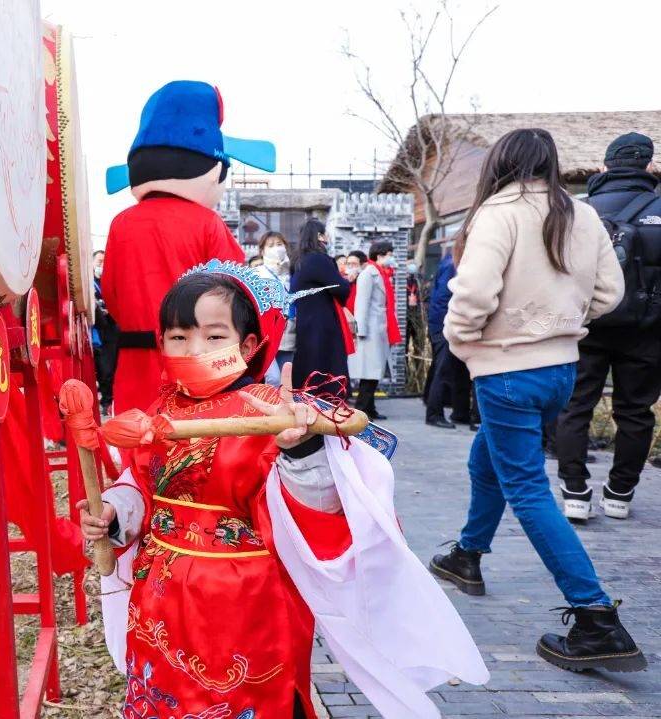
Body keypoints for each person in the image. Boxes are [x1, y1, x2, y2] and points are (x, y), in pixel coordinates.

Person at [81, 261, 487, 718]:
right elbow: (141, 481)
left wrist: (301, 449)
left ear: (249, 344)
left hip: (244, 602)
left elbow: (313, 512)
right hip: (160, 593)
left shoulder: (272, 413)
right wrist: (117, 510)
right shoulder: (163, 408)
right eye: (178, 337)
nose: (193, 348)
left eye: (214, 337)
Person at [429, 128, 646, 673]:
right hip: (559, 371)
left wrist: (460, 341)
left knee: (526, 488)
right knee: (491, 456)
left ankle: (596, 617)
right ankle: (467, 555)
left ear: (500, 163)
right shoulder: (582, 213)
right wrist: (562, 322)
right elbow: (610, 293)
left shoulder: (497, 214)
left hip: (507, 370)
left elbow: (473, 293)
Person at [102, 80, 274, 414]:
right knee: (196, 454)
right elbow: (240, 293)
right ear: (213, 169)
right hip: (197, 366)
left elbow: (111, 293)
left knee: (140, 453)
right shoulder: (206, 223)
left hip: (133, 365)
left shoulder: (120, 224)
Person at [555, 132, 661, 521]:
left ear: (604, 167)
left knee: (575, 406)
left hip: (586, 326)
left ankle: (575, 493)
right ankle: (619, 493)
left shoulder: (577, 211)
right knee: (636, 411)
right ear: (649, 166)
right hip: (648, 331)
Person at [288, 220, 352, 393]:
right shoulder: (318, 259)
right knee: (326, 370)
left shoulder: (298, 260)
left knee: (309, 367)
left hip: (306, 321)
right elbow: (340, 287)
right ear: (319, 236)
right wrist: (348, 281)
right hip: (323, 323)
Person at [349, 241, 401, 420]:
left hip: (379, 328)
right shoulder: (369, 274)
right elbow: (361, 304)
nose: (391, 257)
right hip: (370, 330)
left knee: (374, 372)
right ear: (380, 255)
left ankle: (369, 408)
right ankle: (362, 410)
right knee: (369, 373)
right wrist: (361, 330)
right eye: (389, 253)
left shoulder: (381, 274)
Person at [424, 251, 474, 429]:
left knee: (460, 370)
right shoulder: (451, 265)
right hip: (444, 323)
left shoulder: (453, 262)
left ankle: (460, 413)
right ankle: (434, 414)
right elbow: (443, 298)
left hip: (448, 322)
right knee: (443, 370)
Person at [253, 231, 294, 384]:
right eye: (270, 245)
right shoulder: (257, 273)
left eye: (279, 244)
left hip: (289, 333)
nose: (276, 248)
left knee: (286, 380)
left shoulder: (293, 273)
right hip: (266, 334)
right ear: (262, 251)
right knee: (273, 379)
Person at [92, 250, 120, 415]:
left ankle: (111, 402)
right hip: (98, 330)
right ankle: (106, 401)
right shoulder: (90, 283)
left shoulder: (111, 281)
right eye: (99, 262)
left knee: (114, 367)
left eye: (104, 263)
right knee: (104, 369)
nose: (101, 266)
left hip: (114, 328)